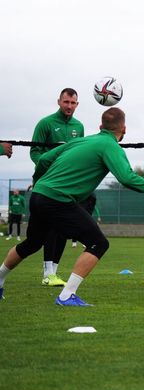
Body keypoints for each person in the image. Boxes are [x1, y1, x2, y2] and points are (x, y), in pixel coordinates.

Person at [0, 107, 144, 305]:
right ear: (124, 129)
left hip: (39, 194)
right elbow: (127, 178)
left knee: (32, 243)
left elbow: (44, 160)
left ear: (100, 126)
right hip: (58, 199)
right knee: (98, 243)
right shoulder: (111, 146)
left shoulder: (80, 141)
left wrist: (39, 182)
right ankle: (67, 295)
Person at [29, 88, 84, 287]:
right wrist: (48, 168)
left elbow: (79, 154)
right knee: (37, 236)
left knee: (62, 227)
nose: (69, 106)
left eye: (73, 103)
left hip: (67, 186)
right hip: (46, 185)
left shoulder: (79, 126)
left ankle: (52, 272)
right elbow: (34, 152)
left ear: (77, 104)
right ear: (59, 102)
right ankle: (46, 272)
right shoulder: (45, 124)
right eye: (66, 102)